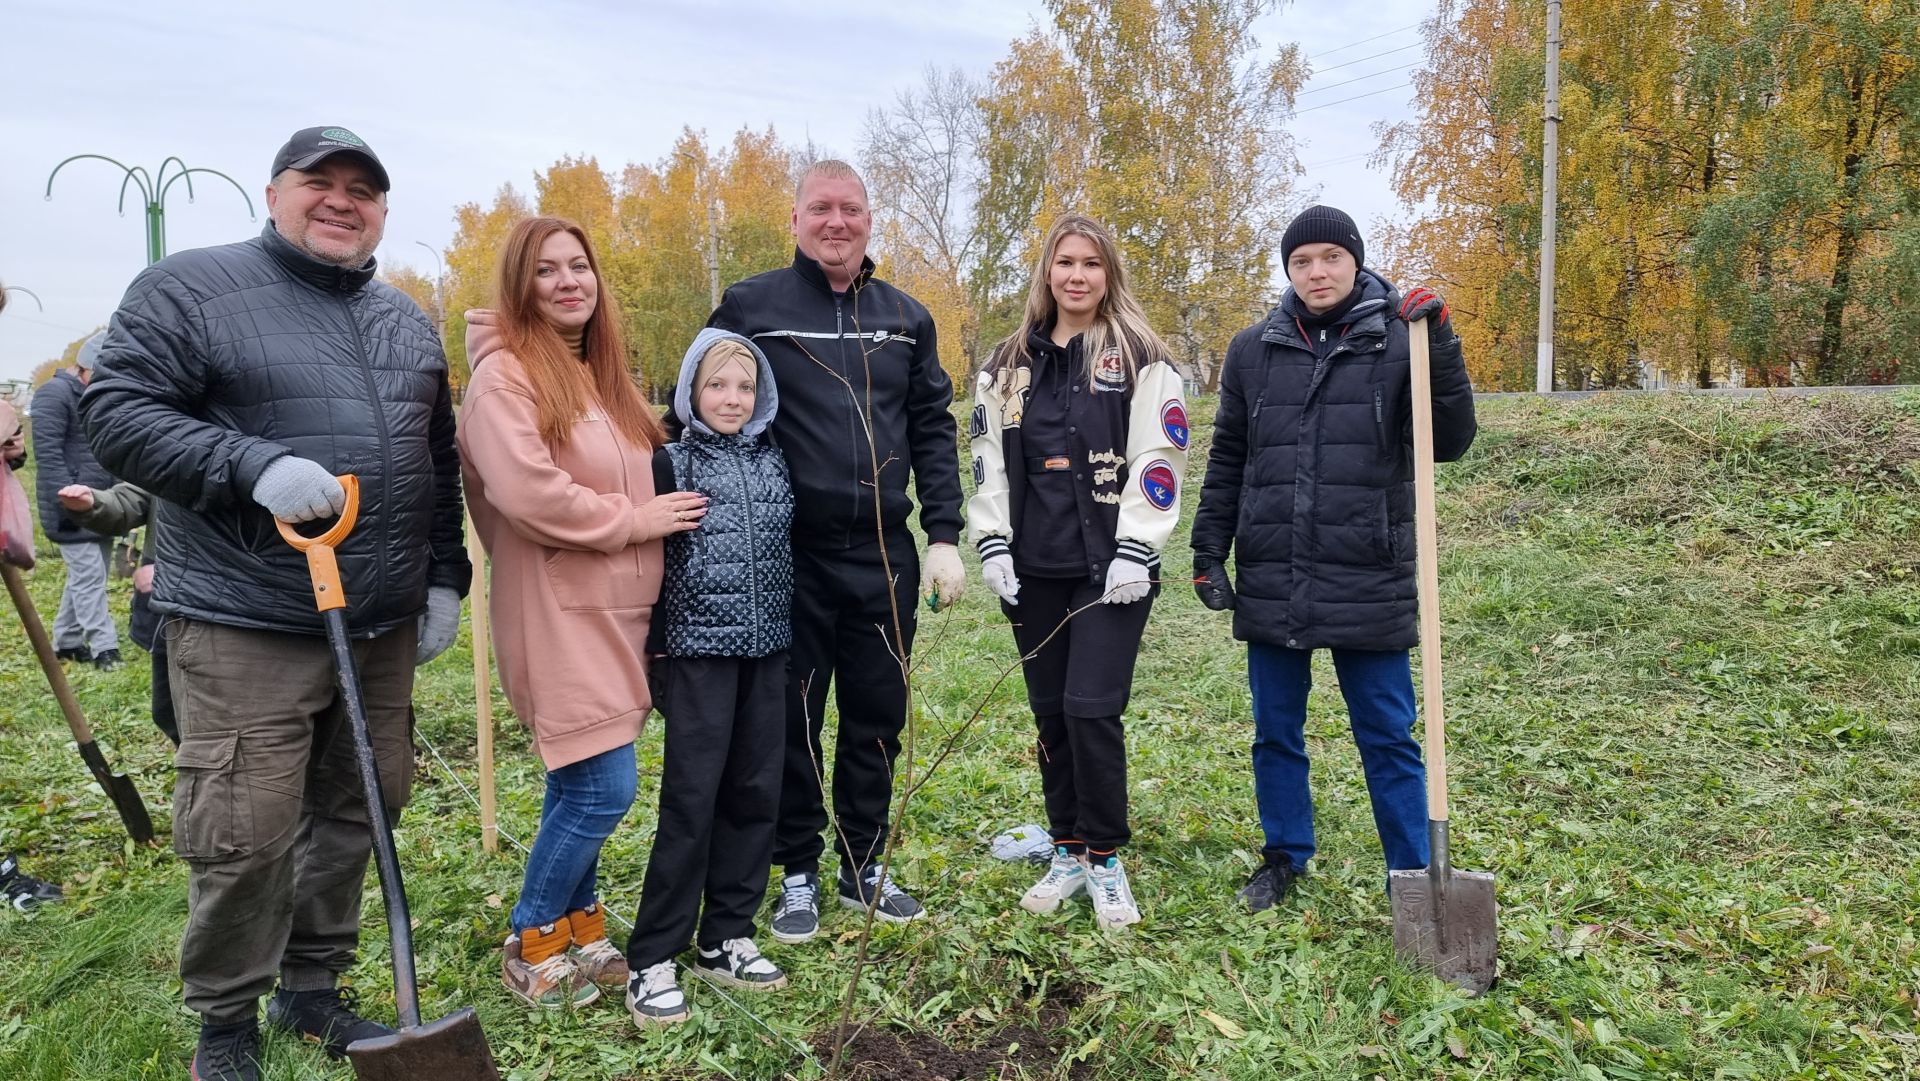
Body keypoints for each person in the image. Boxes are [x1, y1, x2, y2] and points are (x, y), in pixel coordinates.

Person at [81, 126, 469, 1081]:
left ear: (382, 208)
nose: (342, 200)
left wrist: (446, 576)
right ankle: (226, 1017)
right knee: (245, 827)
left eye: (363, 189)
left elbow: (436, 461)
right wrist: (248, 464)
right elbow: (120, 414)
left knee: (358, 805)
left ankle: (313, 985)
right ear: (273, 192)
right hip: (244, 616)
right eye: (319, 182)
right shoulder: (189, 289)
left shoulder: (407, 321)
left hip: (375, 621)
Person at [1188, 205, 1477, 912]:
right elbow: (1229, 454)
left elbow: (1451, 440)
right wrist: (1207, 546)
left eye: (1330, 257)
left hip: (1367, 570)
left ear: (1355, 260)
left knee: (1387, 732)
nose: (1316, 272)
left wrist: (1440, 345)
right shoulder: (1252, 350)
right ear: (1288, 271)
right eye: (1300, 261)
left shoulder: (1401, 339)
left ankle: (1412, 873)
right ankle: (1285, 854)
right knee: (1274, 730)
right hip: (1275, 568)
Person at [706, 160, 965, 942]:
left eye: (851, 209)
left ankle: (863, 863)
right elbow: (707, 401)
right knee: (793, 717)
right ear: (794, 219)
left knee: (877, 713)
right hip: (789, 554)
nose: (836, 222)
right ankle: (797, 872)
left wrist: (945, 533)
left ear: (870, 220)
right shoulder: (753, 307)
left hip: (885, 553)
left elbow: (932, 426)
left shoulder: (906, 318)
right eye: (821, 208)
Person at [457, 216, 699, 1012]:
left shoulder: (594, 374)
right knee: (603, 786)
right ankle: (531, 936)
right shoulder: (507, 377)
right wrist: (636, 522)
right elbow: (526, 492)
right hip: (559, 607)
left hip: (615, 611)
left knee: (580, 775)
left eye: (579, 266)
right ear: (519, 286)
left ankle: (580, 926)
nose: (568, 281)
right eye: (546, 270)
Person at [967, 214, 1188, 931]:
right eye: (1065, 262)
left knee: (1093, 708)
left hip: (1112, 569)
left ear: (1108, 272)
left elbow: (1160, 455)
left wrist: (1138, 545)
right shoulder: (1007, 365)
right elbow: (988, 460)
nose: (1078, 275)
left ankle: (1106, 855)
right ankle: (1066, 845)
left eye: (1091, 262)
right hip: (1035, 571)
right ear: (1047, 272)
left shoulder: (1142, 356)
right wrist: (993, 541)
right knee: (1052, 713)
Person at [624, 329, 793, 1025]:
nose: (731, 398)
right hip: (697, 654)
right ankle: (654, 955)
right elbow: (648, 567)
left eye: (745, 386)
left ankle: (727, 934)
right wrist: (657, 652)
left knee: (755, 793)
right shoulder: (668, 462)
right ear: (692, 388)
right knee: (691, 801)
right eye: (717, 385)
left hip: (768, 652)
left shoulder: (777, 460)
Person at [57, 481, 175, 743]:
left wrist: (178, 576)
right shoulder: (175, 444)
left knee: (216, 723)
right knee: (168, 711)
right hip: (168, 612)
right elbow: (140, 493)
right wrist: (95, 503)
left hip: (230, 617)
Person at [31, 330, 121, 670]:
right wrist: (65, 503)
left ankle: (67, 642)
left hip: (101, 503)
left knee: (86, 577)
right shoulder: (52, 395)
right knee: (90, 577)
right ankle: (104, 649)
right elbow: (49, 456)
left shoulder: (96, 395)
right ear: (84, 366)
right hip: (71, 506)